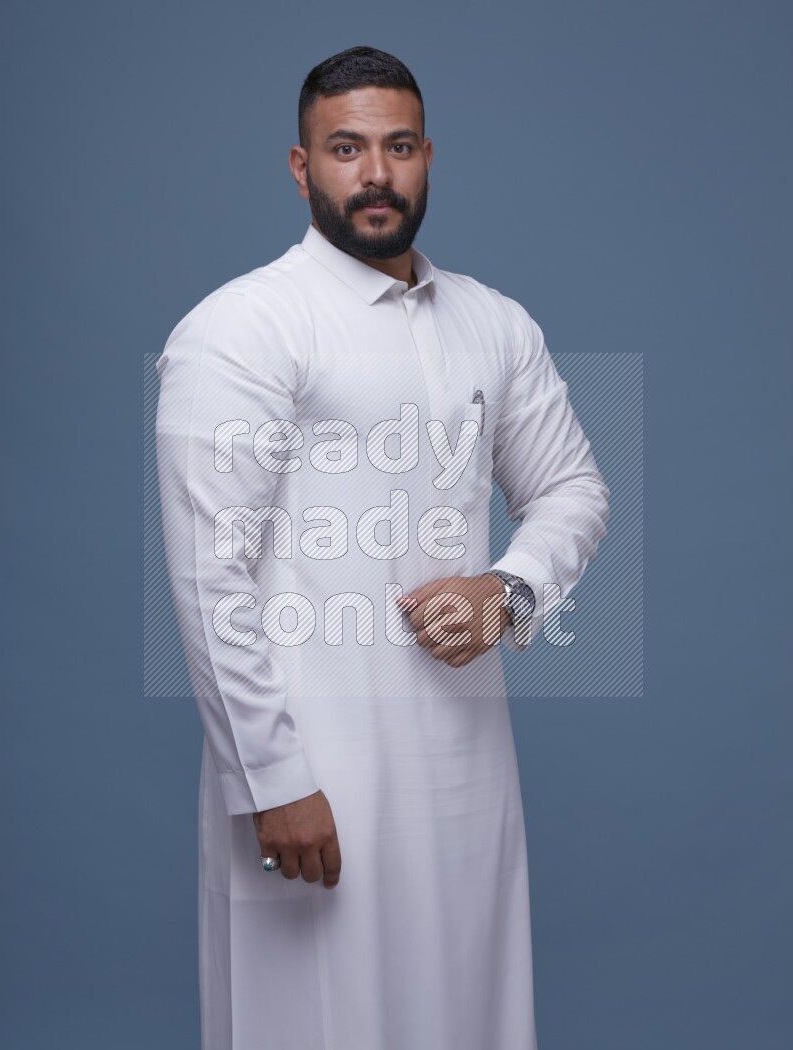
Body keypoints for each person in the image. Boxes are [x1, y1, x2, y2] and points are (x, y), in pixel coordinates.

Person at [155, 44, 609, 1050]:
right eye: (345, 148)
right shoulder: (242, 328)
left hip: (463, 767)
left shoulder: (492, 322)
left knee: (466, 1016)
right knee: (311, 1023)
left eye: (396, 147)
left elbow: (571, 489)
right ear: (299, 165)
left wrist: (511, 587)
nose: (374, 174)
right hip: (310, 771)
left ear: (427, 156)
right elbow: (205, 572)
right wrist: (270, 781)